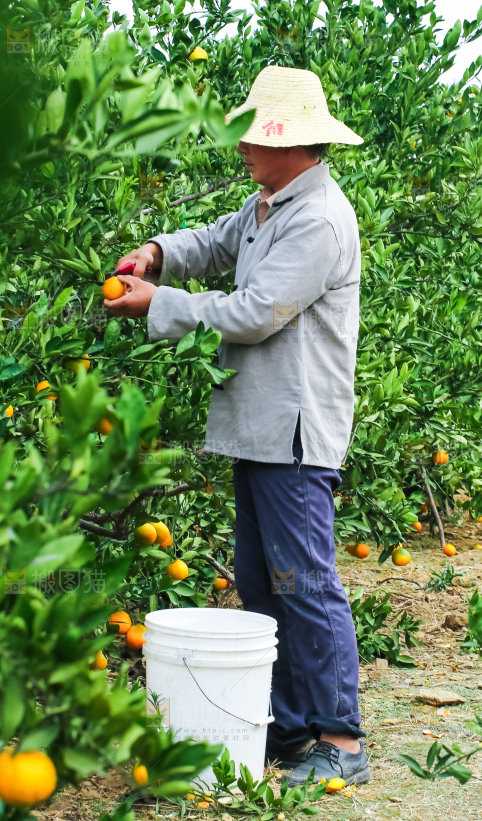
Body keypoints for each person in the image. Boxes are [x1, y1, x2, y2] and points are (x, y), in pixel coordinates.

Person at [105, 65, 370, 786]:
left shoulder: (316, 219)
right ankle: (285, 728)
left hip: (294, 432)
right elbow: (218, 242)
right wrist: (159, 251)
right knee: (261, 581)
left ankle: (340, 738)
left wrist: (159, 303)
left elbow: (254, 314)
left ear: (293, 144)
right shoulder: (269, 204)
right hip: (259, 429)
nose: (243, 148)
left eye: (255, 136)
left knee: (302, 583)